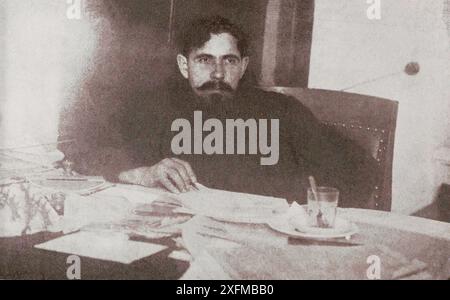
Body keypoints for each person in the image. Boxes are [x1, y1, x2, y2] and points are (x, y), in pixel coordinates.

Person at [59, 16, 378, 207]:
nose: (217, 72)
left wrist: (282, 193)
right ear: (185, 65)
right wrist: (144, 173)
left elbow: (358, 170)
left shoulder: (280, 111)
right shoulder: (156, 107)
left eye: (229, 60)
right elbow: (87, 154)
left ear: (244, 66)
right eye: (204, 59)